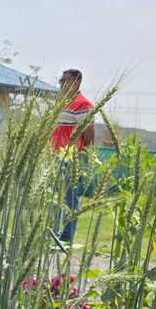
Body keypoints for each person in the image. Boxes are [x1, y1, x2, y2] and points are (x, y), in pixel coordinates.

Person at [51, 68, 94, 242]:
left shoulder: (82, 104)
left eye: (65, 80)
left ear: (76, 82)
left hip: (71, 158)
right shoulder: (62, 103)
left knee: (69, 198)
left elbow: (89, 132)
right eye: (61, 80)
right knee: (54, 197)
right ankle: (52, 234)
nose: (61, 83)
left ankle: (66, 236)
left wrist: (86, 155)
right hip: (55, 155)